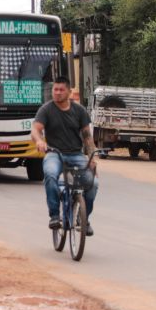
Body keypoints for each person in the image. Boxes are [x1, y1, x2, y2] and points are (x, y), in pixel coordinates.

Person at [31, 76, 98, 236]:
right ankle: (55, 215)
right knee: (50, 175)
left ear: (69, 92)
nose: (58, 93)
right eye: (55, 89)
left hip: (76, 154)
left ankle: (84, 219)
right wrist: (39, 141)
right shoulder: (46, 109)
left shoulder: (79, 110)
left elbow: (87, 136)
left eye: (61, 90)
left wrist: (92, 159)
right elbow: (35, 129)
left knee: (93, 183)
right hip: (54, 154)